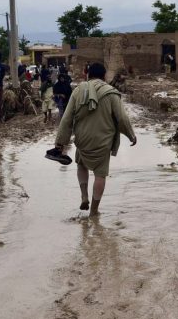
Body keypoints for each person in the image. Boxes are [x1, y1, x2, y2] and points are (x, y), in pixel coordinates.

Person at [52, 62, 136, 216]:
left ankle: (84, 196)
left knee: (81, 165)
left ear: (88, 75)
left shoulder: (78, 91)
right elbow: (122, 119)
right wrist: (131, 135)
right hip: (103, 141)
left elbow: (66, 119)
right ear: (104, 76)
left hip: (82, 139)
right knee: (100, 174)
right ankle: (94, 211)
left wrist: (60, 143)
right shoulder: (111, 93)